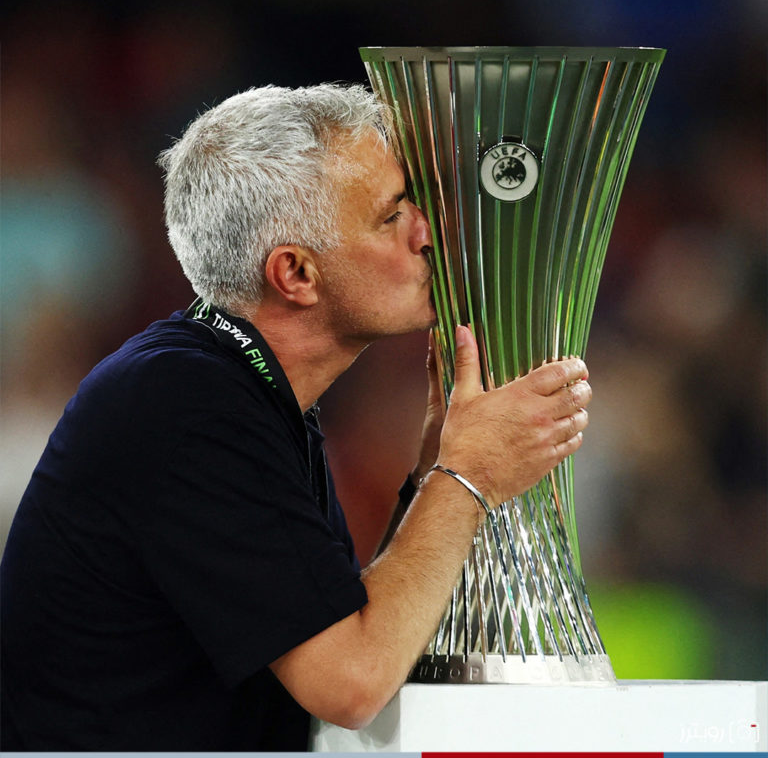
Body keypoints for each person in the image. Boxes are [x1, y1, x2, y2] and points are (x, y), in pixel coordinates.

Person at [0, 84, 592, 751]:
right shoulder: (183, 406)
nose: (427, 233)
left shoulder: (234, 388)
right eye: (392, 215)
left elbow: (351, 632)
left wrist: (435, 469)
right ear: (296, 274)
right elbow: (352, 684)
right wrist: (466, 475)